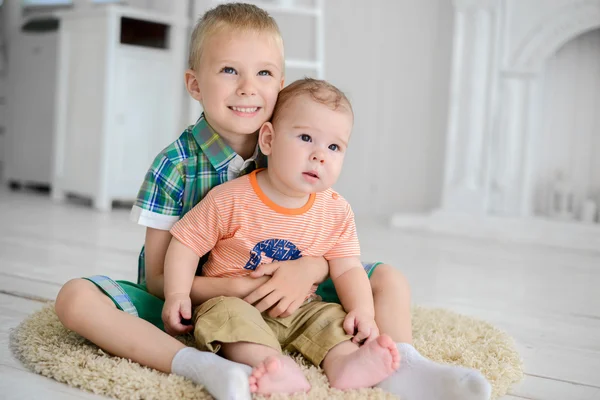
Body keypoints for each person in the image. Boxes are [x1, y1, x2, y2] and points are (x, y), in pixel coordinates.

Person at [55, 3, 491, 400]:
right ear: (194, 83)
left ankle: (403, 365)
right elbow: (156, 280)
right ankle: (200, 365)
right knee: (75, 298)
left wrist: (308, 269)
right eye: (229, 70)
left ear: (280, 85)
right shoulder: (176, 165)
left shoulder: (294, 144)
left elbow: (327, 236)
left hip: (292, 291)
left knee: (387, 278)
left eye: (264, 74)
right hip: (196, 295)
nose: (248, 88)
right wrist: (236, 289)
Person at [162, 78, 400, 395]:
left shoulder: (336, 210)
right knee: (226, 320)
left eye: (334, 147)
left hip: (301, 306)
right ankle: (272, 365)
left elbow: (347, 268)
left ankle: (345, 364)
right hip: (236, 301)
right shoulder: (231, 198)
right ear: (269, 140)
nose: (320, 156)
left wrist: (363, 312)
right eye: (305, 137)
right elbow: (185, 243)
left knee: (331, 318)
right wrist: (178, 294)